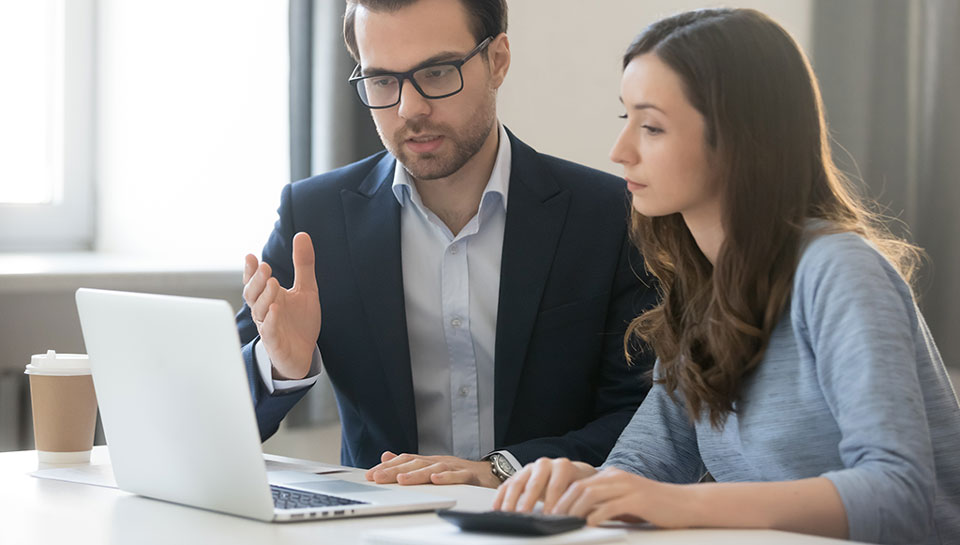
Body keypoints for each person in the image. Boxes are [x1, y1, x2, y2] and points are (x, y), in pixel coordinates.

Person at [493, 8, 960, 544]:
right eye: (626, 120)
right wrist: (584, 486)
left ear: (739, 139)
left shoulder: (839, 271)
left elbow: (899, 495)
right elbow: (647, 468)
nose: (619, 152)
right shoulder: (702, 291)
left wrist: (683, 504)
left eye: (651, 127)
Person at [236, 0, 658, 490]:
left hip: (548, 522)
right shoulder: (315, 218)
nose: (409, 108)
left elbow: (646, 419)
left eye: (436, 72)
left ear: (497, 60)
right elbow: (214, 414)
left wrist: (501, 469)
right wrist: (281, 366)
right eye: (381, 81)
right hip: (379, 527)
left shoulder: (609, 216)